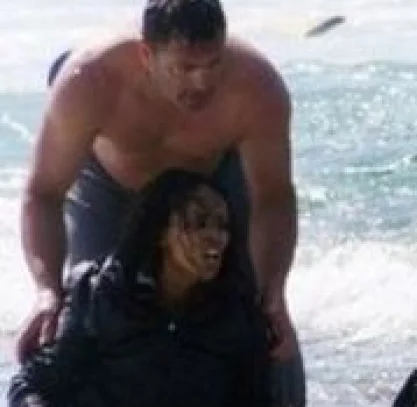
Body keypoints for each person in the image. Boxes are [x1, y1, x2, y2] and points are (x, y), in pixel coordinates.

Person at [16, 0, 305, 406]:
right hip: (111, 188)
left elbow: (273, 198)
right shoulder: (90, 80)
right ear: (146, 55)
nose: (202, 82)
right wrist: (47, 290)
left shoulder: (256, 87)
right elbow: (43, 193)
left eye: (213, 63)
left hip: (210, 184)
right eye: (184, 68)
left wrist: (273, 291)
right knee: (84, 321)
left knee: (263, 332)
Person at [8, 168, 274, 407]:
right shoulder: (99, 293)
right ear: (161, 232)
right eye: (199, 221)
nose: (215, 236)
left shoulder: (236, 315)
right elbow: (32, 385)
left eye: (222, 225)